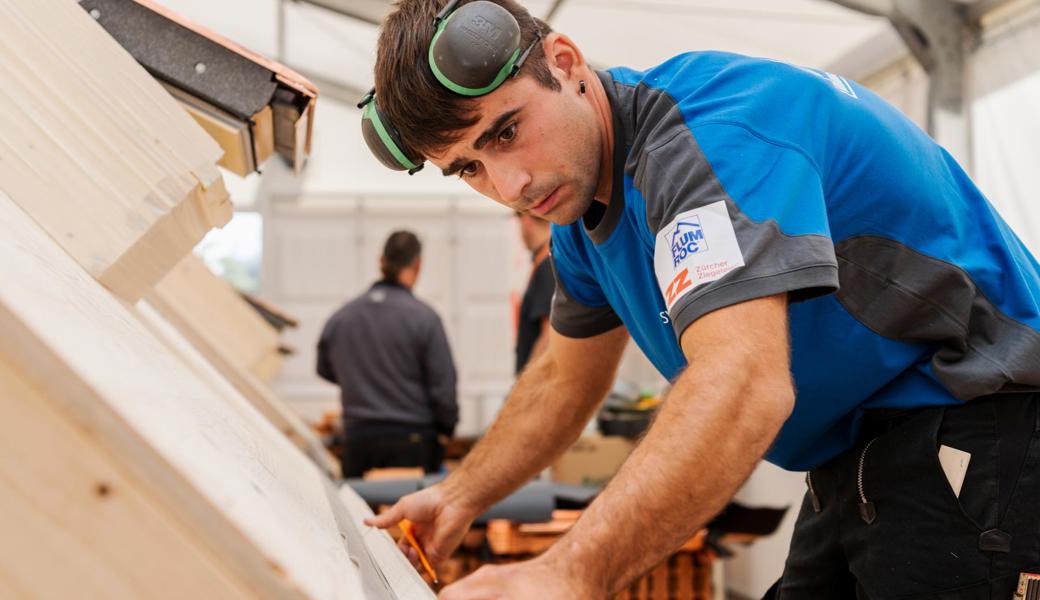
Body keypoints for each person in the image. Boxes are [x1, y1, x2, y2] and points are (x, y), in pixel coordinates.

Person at [359, 1, 1040, 598]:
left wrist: (571, 572)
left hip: (982, 424)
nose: (509, 185)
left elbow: (744, 380)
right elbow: (562, 380)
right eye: (470, 168)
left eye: (505, 131)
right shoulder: (582, 207)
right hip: (863, 455)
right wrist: (458, 495)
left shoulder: (706, 136)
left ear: (564, 61)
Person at [317, 230, 458, 479]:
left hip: (358, 439)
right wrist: (446, 428)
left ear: (381, 262)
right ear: (417, 265)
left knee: (360, 516)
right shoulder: (424, 318)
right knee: (408, 517)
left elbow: (324, 368)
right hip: (413, 441)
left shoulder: (342, 318)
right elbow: (443, 385)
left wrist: (361, 381)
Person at [514, 210, 553, 374]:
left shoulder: (547, 266)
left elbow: (550, 335)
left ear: (526, 219)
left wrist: (525, 385)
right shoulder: (548, 261)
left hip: (542, 386)